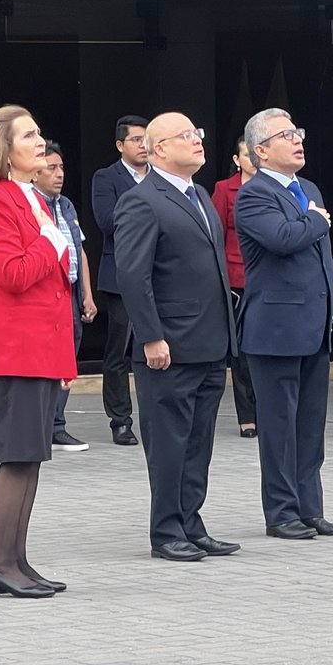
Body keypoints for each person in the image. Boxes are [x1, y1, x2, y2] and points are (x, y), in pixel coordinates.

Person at [114, 113, 241, 562]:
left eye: (198, 133)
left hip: (209, 341)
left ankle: (191, 522)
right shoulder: (142, 200)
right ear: (158, 148)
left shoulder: (200, 195)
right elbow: (133, 274)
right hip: (169, 346)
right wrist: (151, 336)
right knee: (169, 442)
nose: (197, 141)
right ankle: (165, 530)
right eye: (186, 135)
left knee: (199, 441)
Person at [0, 105, 76, 598]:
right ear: (4, 149)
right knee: (16, 457)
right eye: (29, 135)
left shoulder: (33, 198)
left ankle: (17, 559)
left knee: (30, 456)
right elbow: (12, 274)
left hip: (38, 347)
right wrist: (51, 241)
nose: (40, 141)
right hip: (14, 349)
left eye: (39, 133)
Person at [236, 108, 333, 540]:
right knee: (280, 425)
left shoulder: (308, 187)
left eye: (298, 131)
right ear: (261, 150)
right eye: (287, 134)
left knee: (310, 424)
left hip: (315, 323)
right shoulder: (254, 193)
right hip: (276, 327)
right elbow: (283, 239)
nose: (298, 139)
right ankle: (281, 511)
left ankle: (311, 507)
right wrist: (315, 220)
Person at [33, 141, 96, 452]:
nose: (59, 175)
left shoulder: (66, 205)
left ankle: (57, 425)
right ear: (35, 173)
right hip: (44, 295)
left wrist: (87, 293)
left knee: (67, 359)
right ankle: (41, 426)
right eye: (51, 168)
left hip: (69, 291)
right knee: (44, 361)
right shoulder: (30, 205)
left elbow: (78, 250)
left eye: (61, 168)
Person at [91, 115, 149, 447]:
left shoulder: (161, 175)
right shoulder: (107, 177)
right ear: (120, 145)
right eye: (136, 140)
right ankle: (120, 420)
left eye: (147, 139)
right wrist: (149, 204)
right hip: (122, 275)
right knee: (120, 351)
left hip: (159, 274)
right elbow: (108, 221)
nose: (144, 146)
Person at [210, 137, 258, 439]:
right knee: (240, 351)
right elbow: (215, 234)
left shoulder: (273, 187)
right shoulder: (224, 189)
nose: (252, 159)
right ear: (237, 159)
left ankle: (265, 411)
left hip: (265, 277)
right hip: (236, 276)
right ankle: (247, 416)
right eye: (245, 155)